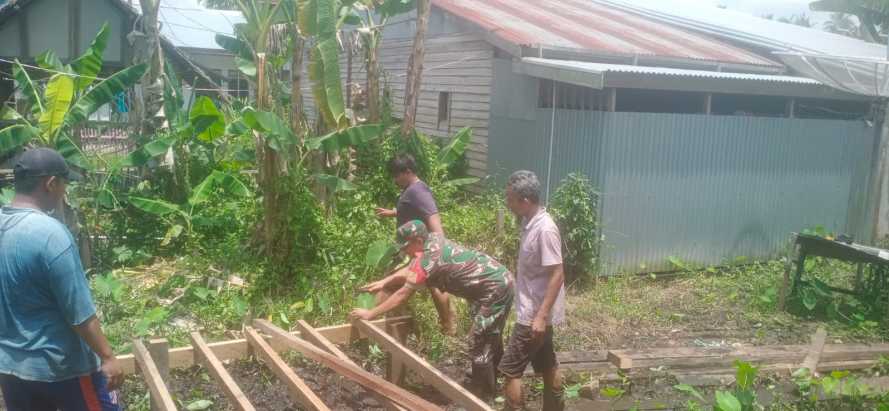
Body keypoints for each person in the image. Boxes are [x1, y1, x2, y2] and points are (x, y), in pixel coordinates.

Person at [0, 148, 123, 411]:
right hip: (60, 368)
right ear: (51, 184)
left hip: (10, 367)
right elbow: (79, 313)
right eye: (64, 184)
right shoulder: (50, 234)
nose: (64, 192)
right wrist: (108, 357)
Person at [352, 220, 513, 396]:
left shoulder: (430, 260)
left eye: (406, 246)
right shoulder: (433, 240)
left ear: (418, 240)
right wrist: (385, 281)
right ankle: (497, 381)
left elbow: (402, 295)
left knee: (479, 341)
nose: (404, 251)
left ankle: (481, 398)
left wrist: (370, 314)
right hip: (489, 285)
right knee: (490, 337)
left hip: (495, 288)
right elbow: (411, 268)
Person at [500, 170, 566, 411]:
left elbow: (557, 273)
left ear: (525, 201)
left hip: (533, 315)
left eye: (510, 199)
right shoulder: (530, 223)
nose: (508, 203)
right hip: (536, 313)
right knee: (547, 364)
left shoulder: (545, 229)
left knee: (510, 370)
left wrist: (539, 316)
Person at [374, 154, 454, 334]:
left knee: (397, 282)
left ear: (408, 172)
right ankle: (445, 326)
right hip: (412, 246)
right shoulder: (412, 188)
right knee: (434, 284)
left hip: (421, 247)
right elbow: (412, 209)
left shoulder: (418, 191)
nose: (394, 180)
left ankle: (447, 326)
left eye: (397, 175)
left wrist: (438, 247)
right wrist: (393, 212)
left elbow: (432, 216)